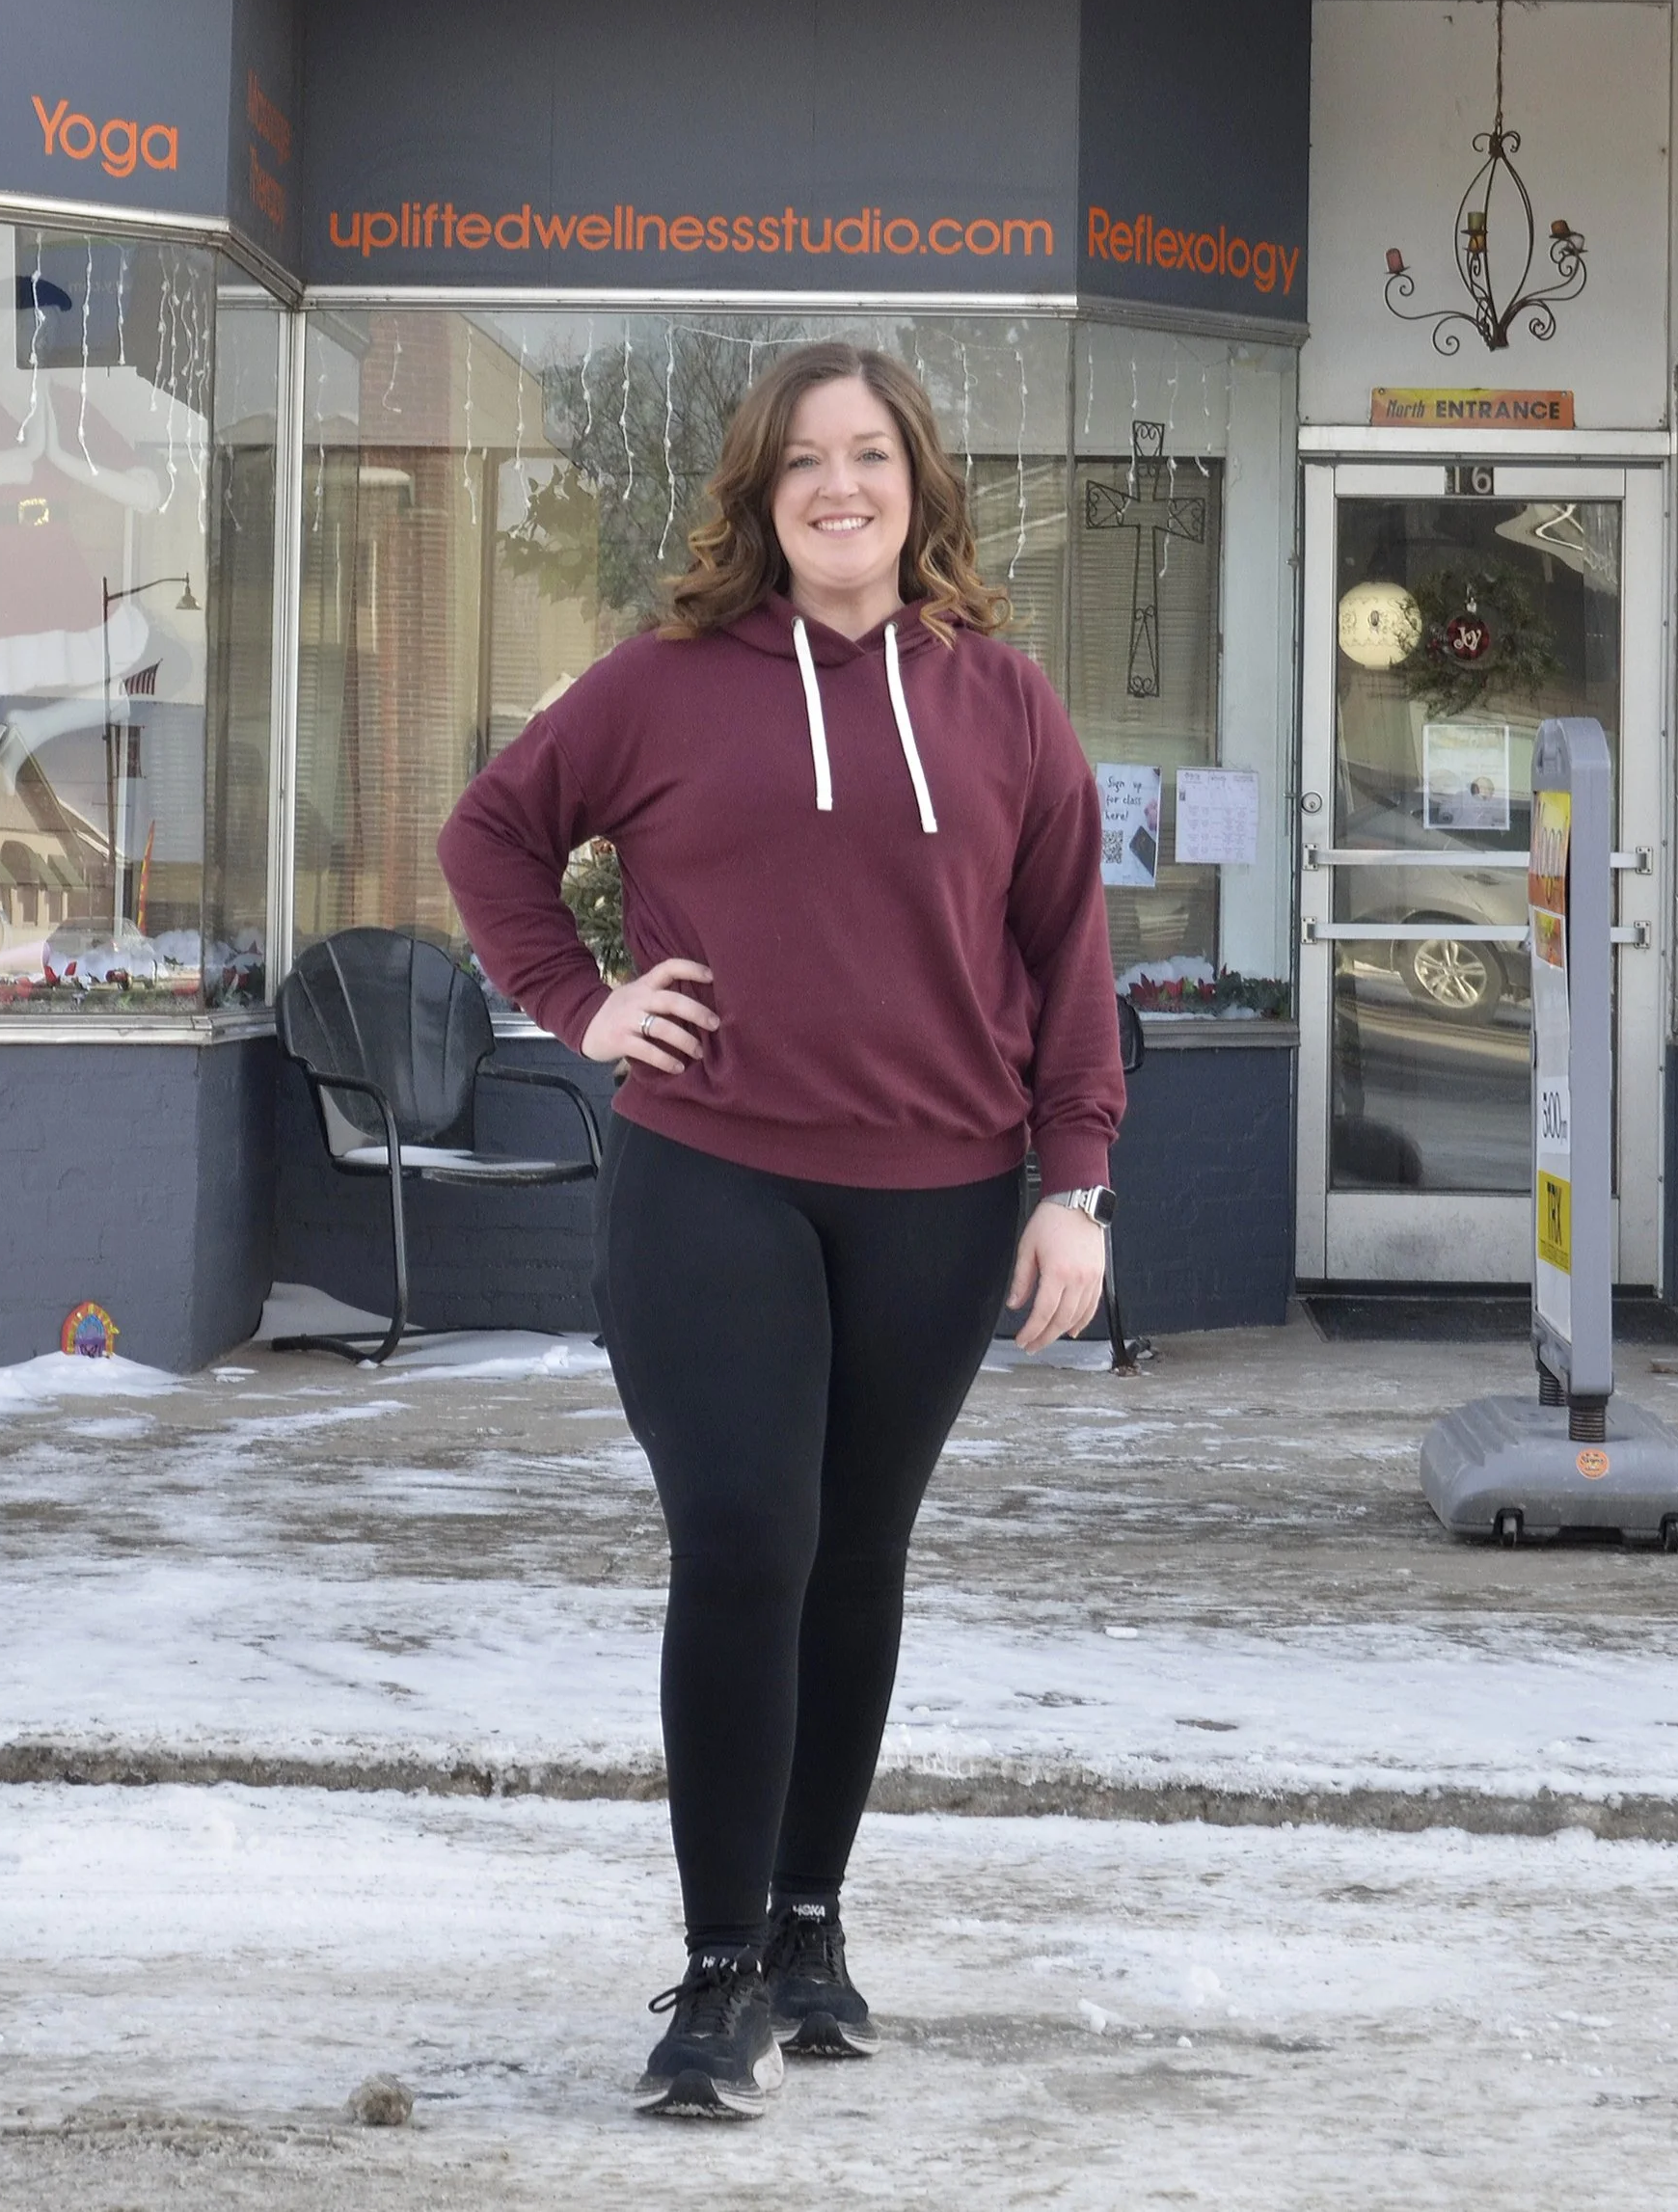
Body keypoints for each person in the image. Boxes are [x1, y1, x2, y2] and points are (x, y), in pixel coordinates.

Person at [439, 339, 1124, 2119]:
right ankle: (719, 1963)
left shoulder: (1006, 702)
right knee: (746, 1535)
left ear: (919, 486)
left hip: (945, 1194)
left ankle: (814, 1916)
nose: (842, 486)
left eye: (873, 456)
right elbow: (494, 834)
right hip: (714, 1176)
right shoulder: (664, 683)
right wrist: (579, 1005)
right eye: (806, 460)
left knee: (856, 1555)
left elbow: (1066, 954)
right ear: (759, 494)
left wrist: (1075, 1183)